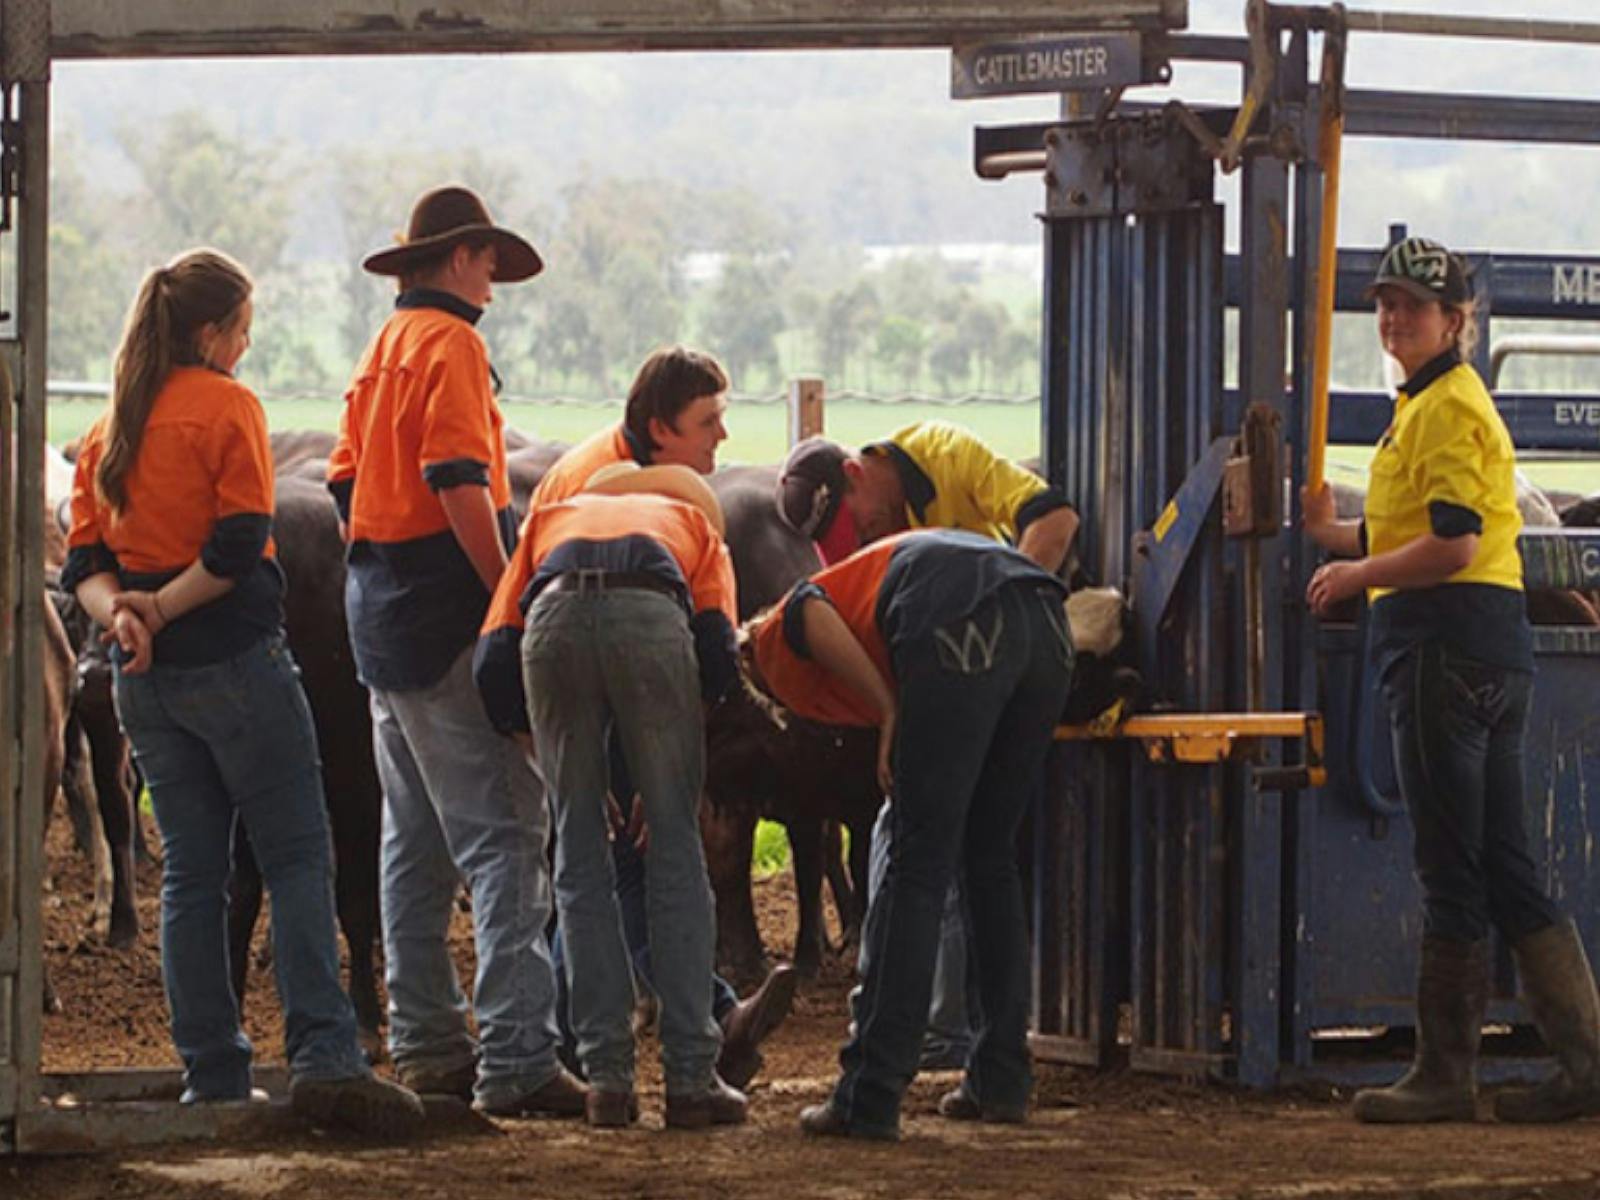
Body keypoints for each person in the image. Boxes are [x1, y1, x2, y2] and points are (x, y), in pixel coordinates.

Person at [61, 248, 424, 1138]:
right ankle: (326, 1060)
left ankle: (212, 1072)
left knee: (190, 873)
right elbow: (235, 548)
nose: (247, 350)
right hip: (237, 666)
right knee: (299, 859)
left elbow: (83, 565)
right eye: (245, 333)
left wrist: (126, 617)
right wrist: (163, 604)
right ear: (214, 333)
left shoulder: (114, 427)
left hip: (147, 682)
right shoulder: (228, 408)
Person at [1304, 235, 1600, 1124]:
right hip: (1478, 643)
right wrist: (1334, 536)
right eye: (1386, 304)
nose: (1393, 318)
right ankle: (1584, 1065)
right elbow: (1412, 525)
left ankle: (1444, 1071)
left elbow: (1455, 542)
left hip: (1444, 646)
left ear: (1457, 320)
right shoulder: (1427, 403)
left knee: (1450, 862)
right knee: (1505, 860)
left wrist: (1358, 578)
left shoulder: (1450, 409)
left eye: (1413, 306)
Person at [326, 185, 583, 1117]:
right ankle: (516, 1057)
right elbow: (459, 481)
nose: (493, 282)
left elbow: (345, 484)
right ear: (460, 258)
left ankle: (429, 1041)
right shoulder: (454, 346)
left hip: (378, 622)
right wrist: (509, 589)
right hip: (442, 620)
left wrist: (382, 571)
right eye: (487, 263)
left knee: (417, 844)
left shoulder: (382, 348)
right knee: (512, 836)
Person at [503, 345, 797, 1089]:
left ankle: (605, 1055)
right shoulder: (649, 504)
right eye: (709, 422)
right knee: (647, 854)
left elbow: (515, 623)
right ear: (661, 429)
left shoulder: (594, 483)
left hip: (553, 653)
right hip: (619, 662)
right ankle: (686, 1045)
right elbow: (710, 654)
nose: (721, 440)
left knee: (592, 857)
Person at [742, 528, 1072, 1140]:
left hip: (960, 615)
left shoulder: (767, 641)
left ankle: (868, 1093)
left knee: (915, 863)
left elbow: (809, 609)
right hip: (1045, 624)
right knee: (988, 858)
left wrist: (890, 711)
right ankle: (1001, 1078)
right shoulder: (878, 582)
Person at [775, 421, 1078, 1069]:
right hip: (1004, 655)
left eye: (854, 529)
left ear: (855, 476)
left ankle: (905, 1052)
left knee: (916, 845)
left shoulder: (946, 453)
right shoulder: (862, 541)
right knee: (972, 854)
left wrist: (993, 616)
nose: (857, 544)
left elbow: (1054, 519)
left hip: (984, 652)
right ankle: (992, 1066)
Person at [474, 463, 746, 1129]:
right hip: (651, 615)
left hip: (552, 620)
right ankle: (690, 1079)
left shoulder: (547, 520)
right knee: (675, 855)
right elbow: (718, 655)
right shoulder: (695, 527)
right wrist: (672, 775)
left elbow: (492, 662)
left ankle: (606, 1082)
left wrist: (557, 766)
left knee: (579, 858)